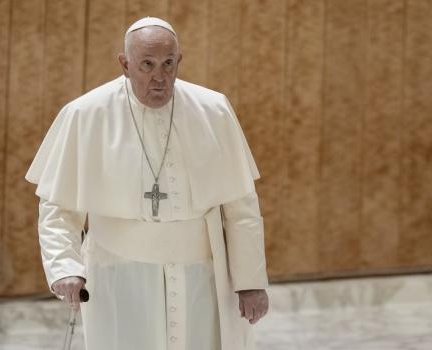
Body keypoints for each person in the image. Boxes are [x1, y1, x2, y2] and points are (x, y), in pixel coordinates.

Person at [25, 17, 269, 350]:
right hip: (118, 276)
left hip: (203, 276)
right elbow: (58, 205)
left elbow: (241, 205)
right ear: (125, 64)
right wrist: (65, 266)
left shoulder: (214, 110)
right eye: (147, 65)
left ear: (179, 60)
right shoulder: (85, 114)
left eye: (168, 65)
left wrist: (251, 282)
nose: (160, 78)